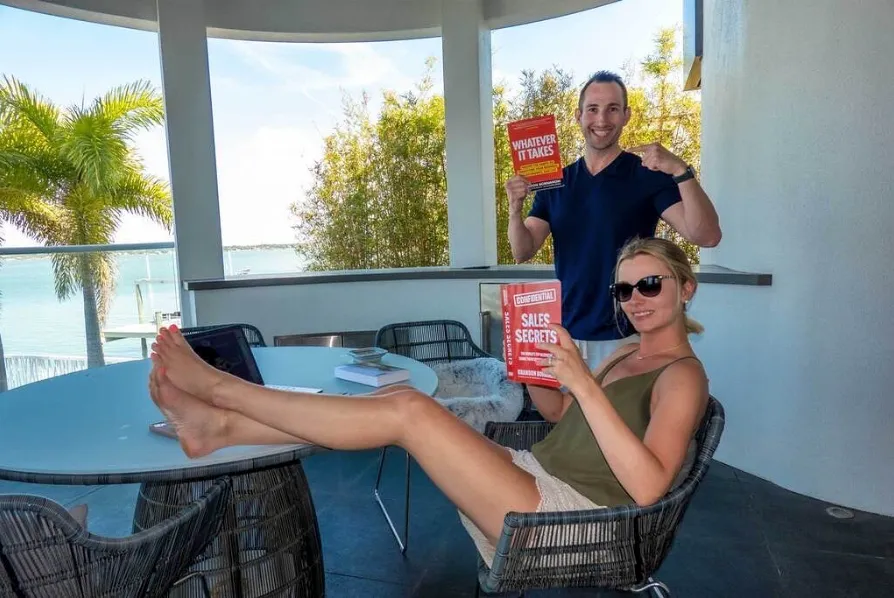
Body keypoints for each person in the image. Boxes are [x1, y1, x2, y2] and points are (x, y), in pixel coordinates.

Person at [147, 237, 709, 566]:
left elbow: (648, 486)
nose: (635, 300)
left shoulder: (683, 377)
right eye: (625, 289)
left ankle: (221, 390)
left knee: (409, 410)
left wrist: (584, 384)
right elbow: (564, 417)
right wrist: (536, 370)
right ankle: (222, 429)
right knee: (400, 400)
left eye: (651, 285)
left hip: (574, 518)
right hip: (533, 472)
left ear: (686, 287)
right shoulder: (623, 356)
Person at [505, 70, 720, 419]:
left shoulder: (646, 174)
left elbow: (705, 235)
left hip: (628, 333)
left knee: (620, 429)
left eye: (612, 109)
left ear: (626, 115)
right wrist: (515, 209)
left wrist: (681, 170)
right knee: (567, 422)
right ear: (578, 116)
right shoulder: (555, 181)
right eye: (592, 109)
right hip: (568, 329)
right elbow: (522, 249)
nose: (601, 119)